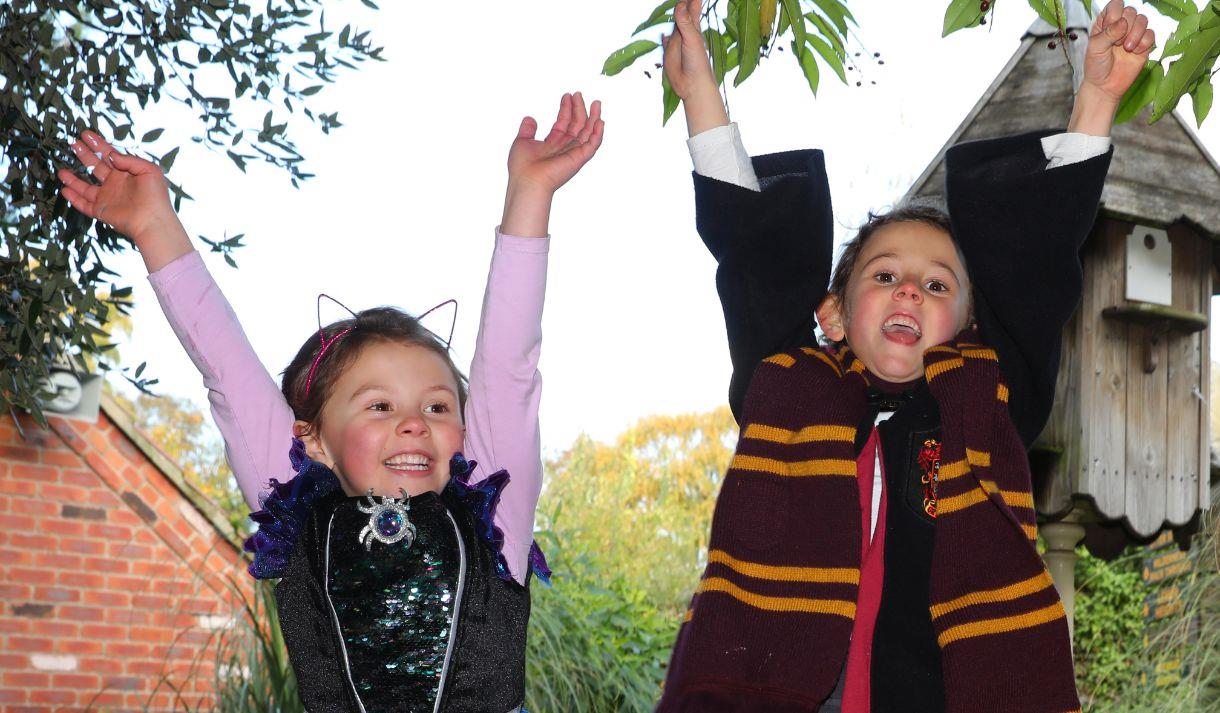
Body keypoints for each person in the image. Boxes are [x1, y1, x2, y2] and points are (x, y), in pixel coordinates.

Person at [656, 1, 1152, 710]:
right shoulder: (794, 387)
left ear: (974, 324)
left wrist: (1098, 98)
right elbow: (754, 255)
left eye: (937, 283)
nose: (910, 290)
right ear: (835, 308)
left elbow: (1038, 257)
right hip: (777, 686)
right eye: (884, 275)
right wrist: (701, 93)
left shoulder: (987, 399)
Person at [58, 92, 604, 712]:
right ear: (310, 439)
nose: (412, 425)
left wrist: (529, 197)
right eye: (378, 407)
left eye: (437, 407)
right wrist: (156, 227)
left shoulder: (495, 516)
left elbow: (509, 369)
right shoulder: (293, 512)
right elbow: (227, 372)